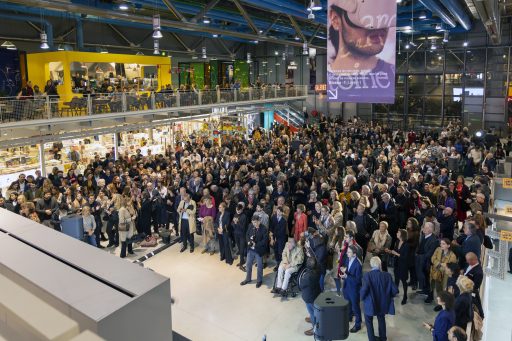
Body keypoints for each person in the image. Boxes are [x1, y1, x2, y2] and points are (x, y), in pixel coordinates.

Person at [360, 256, 399, 341]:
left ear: (371, 265)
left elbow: (364, 290)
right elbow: (395, 290)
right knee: (381, 320)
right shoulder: (387, 275)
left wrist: (362, 298)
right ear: (380, 264)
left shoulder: (367, 276)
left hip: (370, 304)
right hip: (382, 303)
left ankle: (372, 339)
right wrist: (387, 295)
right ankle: (383, 338)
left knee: (368, 321)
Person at [241, 216, 268, 288]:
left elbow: (265, 241)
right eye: (253, 222)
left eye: (255, 222)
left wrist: (256, 244)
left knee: (259, 266)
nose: (254, 224)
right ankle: (248, 279)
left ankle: (259, 280)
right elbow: (247, 235)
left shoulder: (264, 229)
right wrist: (248, 242)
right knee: (248, 265)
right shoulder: (250, 226)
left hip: (258, 250)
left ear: (259, 221)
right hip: (250, 250)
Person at [340, 245, 363, 332]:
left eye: (349, 252)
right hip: (346, 286)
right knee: (348, 304)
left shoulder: (358, 265)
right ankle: (349, 317)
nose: (347, 253)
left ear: (354, 254)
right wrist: (344, 271)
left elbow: (358, 280)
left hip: (354, 289)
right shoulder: (347, 259)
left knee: (355, 307)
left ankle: (358, 324)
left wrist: (346, 276)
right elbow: (347, 270)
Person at [429, 238, 458, 305]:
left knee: (443, 290)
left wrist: (440, 266)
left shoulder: (452, 256)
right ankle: (435, 300)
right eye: (441, 243)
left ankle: (443, 304)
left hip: (445, 276)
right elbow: (433, 258)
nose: (441, 245)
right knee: (435, 287)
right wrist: (439, 264)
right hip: (435, 273)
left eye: (443, 244)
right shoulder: (438, 249)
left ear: (448, 245)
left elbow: (449, 268)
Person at [385, 228, 409, 305]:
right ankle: (395, 291)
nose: (396, 233)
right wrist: (390, 252)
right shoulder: (397, 241)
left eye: (398, 233)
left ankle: (405, 296)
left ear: (402, 235)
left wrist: (396, 253)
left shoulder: (406, 244)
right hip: (397, 264)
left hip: (403, 265)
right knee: (396, 279)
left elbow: (405, 257)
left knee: (404, 281)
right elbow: (394, 253)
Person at [299, 256, 321, 336]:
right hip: (316, 293)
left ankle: (315, 329)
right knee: (314, 311)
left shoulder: (308, 276)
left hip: (309, 297)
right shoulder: (317, 270)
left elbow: (301, 285)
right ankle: (313, 319)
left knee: (312, 312)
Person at [416, 222, 439, 296]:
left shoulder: (434, 240)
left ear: (431, 229)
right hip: (421, 260)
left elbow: (430, 254)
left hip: (427, 263)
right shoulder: (423, 236)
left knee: (428, 279)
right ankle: (424, 290)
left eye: (425, 227)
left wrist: (420, 257)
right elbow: (420, 247)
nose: (423, 229)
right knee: (423, 277)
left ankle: (430, 295)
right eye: (423, 227)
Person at [270, 207, 288, 271]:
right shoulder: (273, 217)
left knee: (280, 251)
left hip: (281, 238)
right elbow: (271, 227)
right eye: (277, 211)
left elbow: (282, 231)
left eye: (280, 211)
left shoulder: (284, 220)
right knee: (275, 250)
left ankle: (281, 264)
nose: (278, 212)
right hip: (275, 237)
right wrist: (272, 237)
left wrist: (276, 238)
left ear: (282, 212)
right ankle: (278, 263)